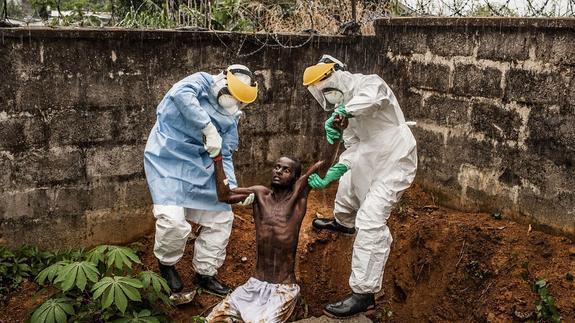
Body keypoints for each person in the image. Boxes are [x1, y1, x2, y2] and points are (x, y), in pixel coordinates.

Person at [302, 54, 418, 317]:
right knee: (347, 184)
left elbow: (372, 99)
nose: (329, 97)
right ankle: (343, 223)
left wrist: (345, 111)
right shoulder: (344, 110)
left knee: (371, 219)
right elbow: (354, 148)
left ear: (338, 74)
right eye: (323, 94)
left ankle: (364, 294)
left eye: (328, 88)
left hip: (396, 157)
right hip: (368, 156)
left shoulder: (369, 84)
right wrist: (333, 173)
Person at [205, 122, 344, 322]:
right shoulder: (260, 194)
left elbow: (322, 164)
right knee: (213, 319)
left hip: (282, 289)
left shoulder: (298, 196)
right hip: (254, 284)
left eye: (285, 170)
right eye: (277, 167)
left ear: (296, 177)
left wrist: (336, 133)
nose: (278, 171)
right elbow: (224, 195)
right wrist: (217, 157)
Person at [143, 64, 258, 296]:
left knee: (222, 218)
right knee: (172, 221)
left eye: (239, 99)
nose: (233, 101)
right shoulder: (200, 81)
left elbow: (225, 154)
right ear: (223, 82)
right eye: (232, 94)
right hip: (167, 158)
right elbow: (179, 95)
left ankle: (205, 273)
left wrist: (231, 187)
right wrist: (207, 128)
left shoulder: (231, 116)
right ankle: (166, 266)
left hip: (200, 166)